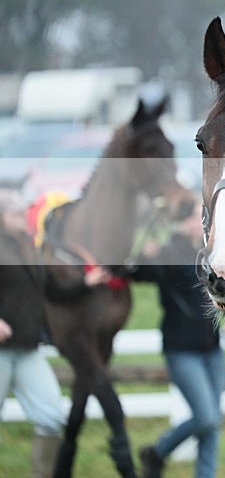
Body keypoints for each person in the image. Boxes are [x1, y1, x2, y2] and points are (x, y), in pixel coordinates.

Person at [0, 190, 108, 478]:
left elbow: (53, 291)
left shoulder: (28, 248)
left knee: (50, 416)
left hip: (27, 349)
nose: (22, 219)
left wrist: (86, 282)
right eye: (14, 214)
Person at [132, 202, 225, 478]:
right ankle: (158, 451)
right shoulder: (168, 252)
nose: (198, 223)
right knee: (207, 417)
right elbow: (139, 273)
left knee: (212, 423)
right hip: (181, 350)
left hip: (212, 348)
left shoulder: (212, 253)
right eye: (193, 218)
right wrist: (144, 254)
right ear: (182, 222)